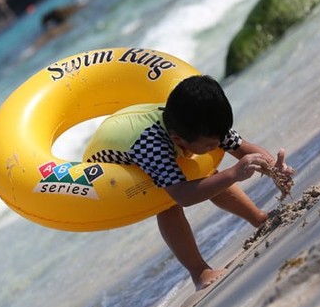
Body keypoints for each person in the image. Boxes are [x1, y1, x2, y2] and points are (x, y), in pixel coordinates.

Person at [83, 75, 294, 290]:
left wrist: (274, 169)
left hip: (138, 136)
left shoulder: (202, 121)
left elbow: (242, 147)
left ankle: (259, 219)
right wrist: (233, 173)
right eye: (211, 144)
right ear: (177, 140)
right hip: (110, 173)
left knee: (208, 173)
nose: (216, 146)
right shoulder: (151, 145)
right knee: (167, 204)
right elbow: (183, 196)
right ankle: (199, 272)